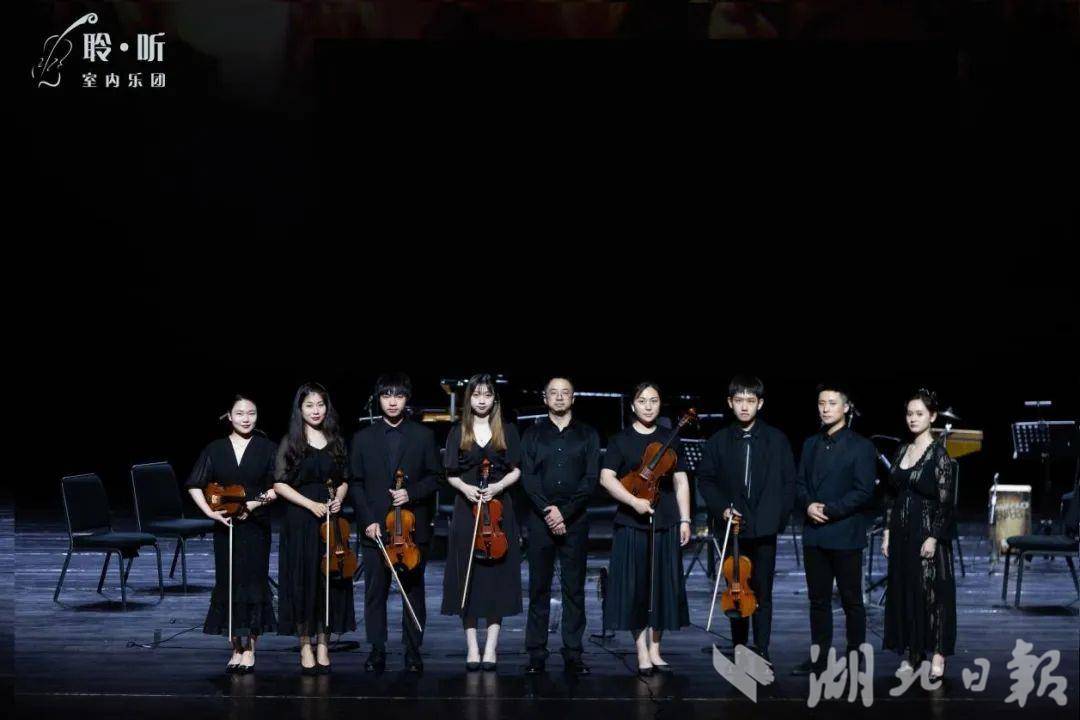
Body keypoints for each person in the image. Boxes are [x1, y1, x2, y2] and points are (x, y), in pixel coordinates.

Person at [696, 374, 795, 663]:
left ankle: (762, 648)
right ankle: (739, 646)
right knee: (736, 588)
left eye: (750, 401)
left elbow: (789, 482)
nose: (744, 406)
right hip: (733, 527)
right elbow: (706, 480)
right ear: (730, 402)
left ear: (760, 404)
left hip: (765, 528)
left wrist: (777, 519)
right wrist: (723, 509)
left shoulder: (777, 440)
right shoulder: (718, 441)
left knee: (763, 591)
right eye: (738, 400)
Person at [349, 372, 442, 673]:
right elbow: (356, 483)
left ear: (407, 399)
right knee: (375, 592)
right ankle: (377, 649)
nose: (392, 402)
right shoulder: (363, 438)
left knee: (413, 591)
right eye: (386, 395)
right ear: (379, 399)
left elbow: (436, 477)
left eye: (398, 396)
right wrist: (367, 521)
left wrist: (410, 493)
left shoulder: (423, 436)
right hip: (375, 527)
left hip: (412, 529)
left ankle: (412, 651)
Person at [599, 382, 691, 676]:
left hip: (665, 519)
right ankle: (641, 650)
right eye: (642, 401)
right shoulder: (620, 440)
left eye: (654, 400)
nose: (648, 406)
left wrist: (686, 519)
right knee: (635, 587)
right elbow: (606, 478)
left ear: (660, 404)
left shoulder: (670, 437)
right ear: (632, 405)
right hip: (631, 520)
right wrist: (633, 501)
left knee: (662, 586)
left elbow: (680, 481)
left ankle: (656, 650)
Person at [185, 394, 278, 673]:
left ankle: (250, 649)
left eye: (251, 413)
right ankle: (235, 647)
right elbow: (195, 484)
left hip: (256, 526)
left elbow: (279, 486)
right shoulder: (215, 449)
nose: (246, 419)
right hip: (226, 527)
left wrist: (255, 503)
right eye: (240, 413)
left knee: (253, 584)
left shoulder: (268, 448)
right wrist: (210, 513)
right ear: (229, 416)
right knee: (228, 583)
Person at [792, 382, 876, 675]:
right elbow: (799, 483)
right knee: (818, 601)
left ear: (846, 407)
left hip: (844, 533)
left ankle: (855, 657)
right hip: (815, 533)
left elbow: (864, 491)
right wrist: (808, 505)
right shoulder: (810, 444)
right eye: (821, 403)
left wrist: (829, 510)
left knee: (852, 601)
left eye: (832, 403)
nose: (825, 409)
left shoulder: (861, 446)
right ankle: (819, 657)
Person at [441, 374, 523, 671]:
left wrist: (498, 487)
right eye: (476, 395)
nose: (481, 400)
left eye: (487, 395)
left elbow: (516, 470)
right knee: (468, 578)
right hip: (467, 509)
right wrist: (465, 488)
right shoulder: (457, 431)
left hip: (499, 510)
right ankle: (472, 648)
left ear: (494, 399)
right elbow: (450, 474)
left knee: (497, 579)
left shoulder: (507, 430)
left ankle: (491, 648)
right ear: (469, 399)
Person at [273, 382, 356, 674]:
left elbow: (344, 479)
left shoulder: (336, 441)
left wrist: (339, 498)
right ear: (300, 409)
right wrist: (310, 505)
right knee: (303, 580)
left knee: (329, 582)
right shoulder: (291, 442)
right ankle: (305, 645)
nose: (316, 410)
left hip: (332, 520)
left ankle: (324, 644)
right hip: (301, 520)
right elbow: (279, 484)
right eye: (309, 405)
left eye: (320, 405)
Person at [521, 376, 600, 675]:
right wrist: (548, 512)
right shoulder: (532, 434)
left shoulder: (588, 434)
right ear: (545, 398)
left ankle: (573, 653)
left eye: (564, 393)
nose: (558, 397)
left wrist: (563, 513)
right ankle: (536, 653)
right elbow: (528, 478)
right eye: (553, 393)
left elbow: (590, 480)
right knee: (538, 588)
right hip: (539, 520)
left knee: (574, 589)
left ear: (573, 398)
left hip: (575, 520)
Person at [882, 388, 957, 680]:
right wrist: (887, 533)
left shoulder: (939, 455)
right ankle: (913, 654)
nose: (913, 419)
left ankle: (937, 654)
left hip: (926, 532)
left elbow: (946, 502)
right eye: (909, 414)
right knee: (906, 591)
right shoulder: (902, 449)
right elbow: (891, 495)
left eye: (919, 414)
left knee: (932, 595)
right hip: (901, 533)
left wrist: (934, 536)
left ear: (932, 416)